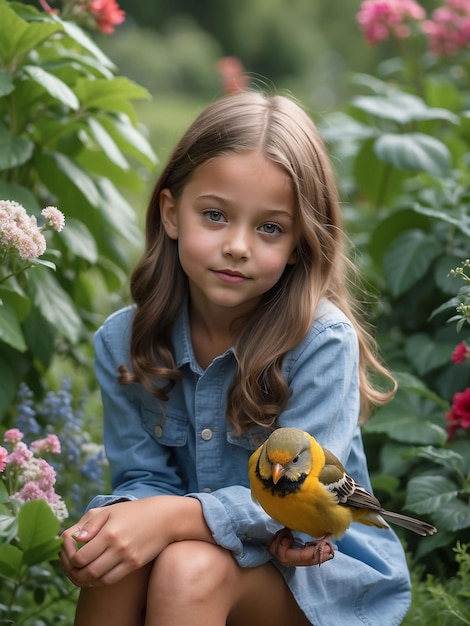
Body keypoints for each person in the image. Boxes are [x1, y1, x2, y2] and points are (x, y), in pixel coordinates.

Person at [60, 90, 411, 626]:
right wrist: (111, 527)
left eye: (269, 227)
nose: (238, 246)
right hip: (206, 561)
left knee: (186, 566)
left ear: (298, 243)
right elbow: (142, 479)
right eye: (216, 215)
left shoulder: (320, 342)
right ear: (172, 213)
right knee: (120, 559)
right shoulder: (125, 341)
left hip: (315, 574)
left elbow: (304, 503)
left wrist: (172, 518)